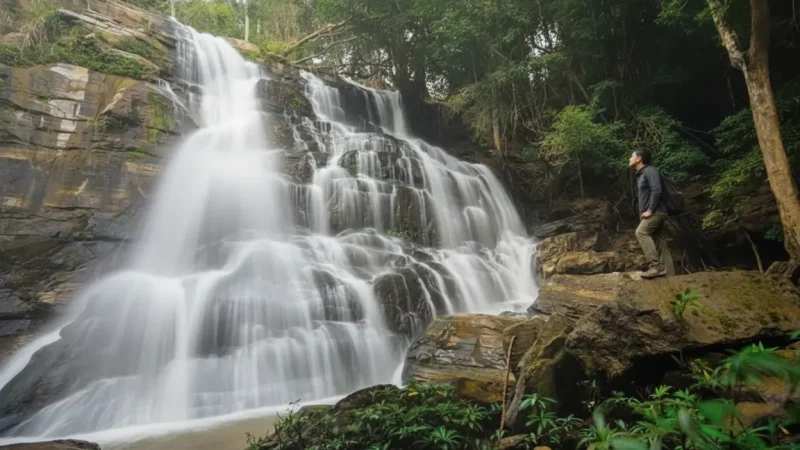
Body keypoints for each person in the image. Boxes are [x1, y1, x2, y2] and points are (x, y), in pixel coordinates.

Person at [629, 149, 674, 279]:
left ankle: (656, 266)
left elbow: (656, 190)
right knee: (659, 242)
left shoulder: (650, 171)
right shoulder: (641, 174)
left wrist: (650, 210)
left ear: (639, 158)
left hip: (657, 211)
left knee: (641, 232)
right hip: (654, 212)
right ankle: (670, 276)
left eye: (631, 156)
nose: (629, 158)